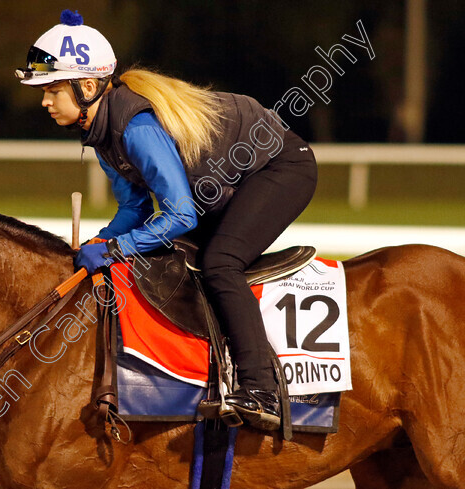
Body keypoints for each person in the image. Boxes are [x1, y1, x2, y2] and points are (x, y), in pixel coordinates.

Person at [16, 10, 317, 431]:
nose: (45, 100)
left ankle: (260, 389)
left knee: (220, 263)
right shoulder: (103, 131)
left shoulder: (135, 127)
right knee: (170, 259)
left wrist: (116, 247)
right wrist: (102, 243)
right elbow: (136, 209)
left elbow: (179, 212)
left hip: (279, 168)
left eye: (51, 89)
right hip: (229, 184)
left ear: (87, 87)